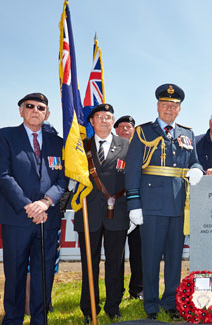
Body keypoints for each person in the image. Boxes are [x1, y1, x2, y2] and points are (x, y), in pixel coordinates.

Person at [124, 83, 204, 320]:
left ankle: (171, 300)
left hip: (179, 206)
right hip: (151, 205)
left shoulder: (187, 134)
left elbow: (195, 161)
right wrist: (134, 204)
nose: (169, 108)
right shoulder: (142, 132)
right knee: (150, 256)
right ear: (157, 106)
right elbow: (132, 171)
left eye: (174, 105)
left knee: (174, 256)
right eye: (165, 104)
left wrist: (197, 169)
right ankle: (150, 303)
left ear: (179, 109)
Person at [0, 92, 68, 324]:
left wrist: (45, 203)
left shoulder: (59, 142)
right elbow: (3, 175)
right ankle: (13, 319)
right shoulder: (5, 135)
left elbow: (64, 178)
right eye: (30, 106)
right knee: (14, 273)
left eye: (41, 107)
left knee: (43, 274)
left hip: (48, 217)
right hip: (17, 217)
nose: (35, 110)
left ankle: (39, 319)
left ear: (48, 114)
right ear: (21, 110)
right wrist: (29, 207)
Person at [74, 103, 131, 322]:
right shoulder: (80, 146)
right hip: (88, 213)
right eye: (99, 117)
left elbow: (132, 178)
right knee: (89, 262)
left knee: (115, 262)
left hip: (117, 212)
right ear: (91, 122)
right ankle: (89, 308)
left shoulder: (126, 145)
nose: (104, 121)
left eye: (108, 117)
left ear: (112, 121)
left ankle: (113, 306)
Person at [114, 114, 144, 301]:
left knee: (138, 252)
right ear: (115, 130)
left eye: (129, 127)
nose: (125, 130)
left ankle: (138, 289)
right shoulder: (109, 148)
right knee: (116, 253)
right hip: (115, 208)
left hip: (136, 207)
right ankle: (116, 290)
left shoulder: (140, 150)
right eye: (122, 127)